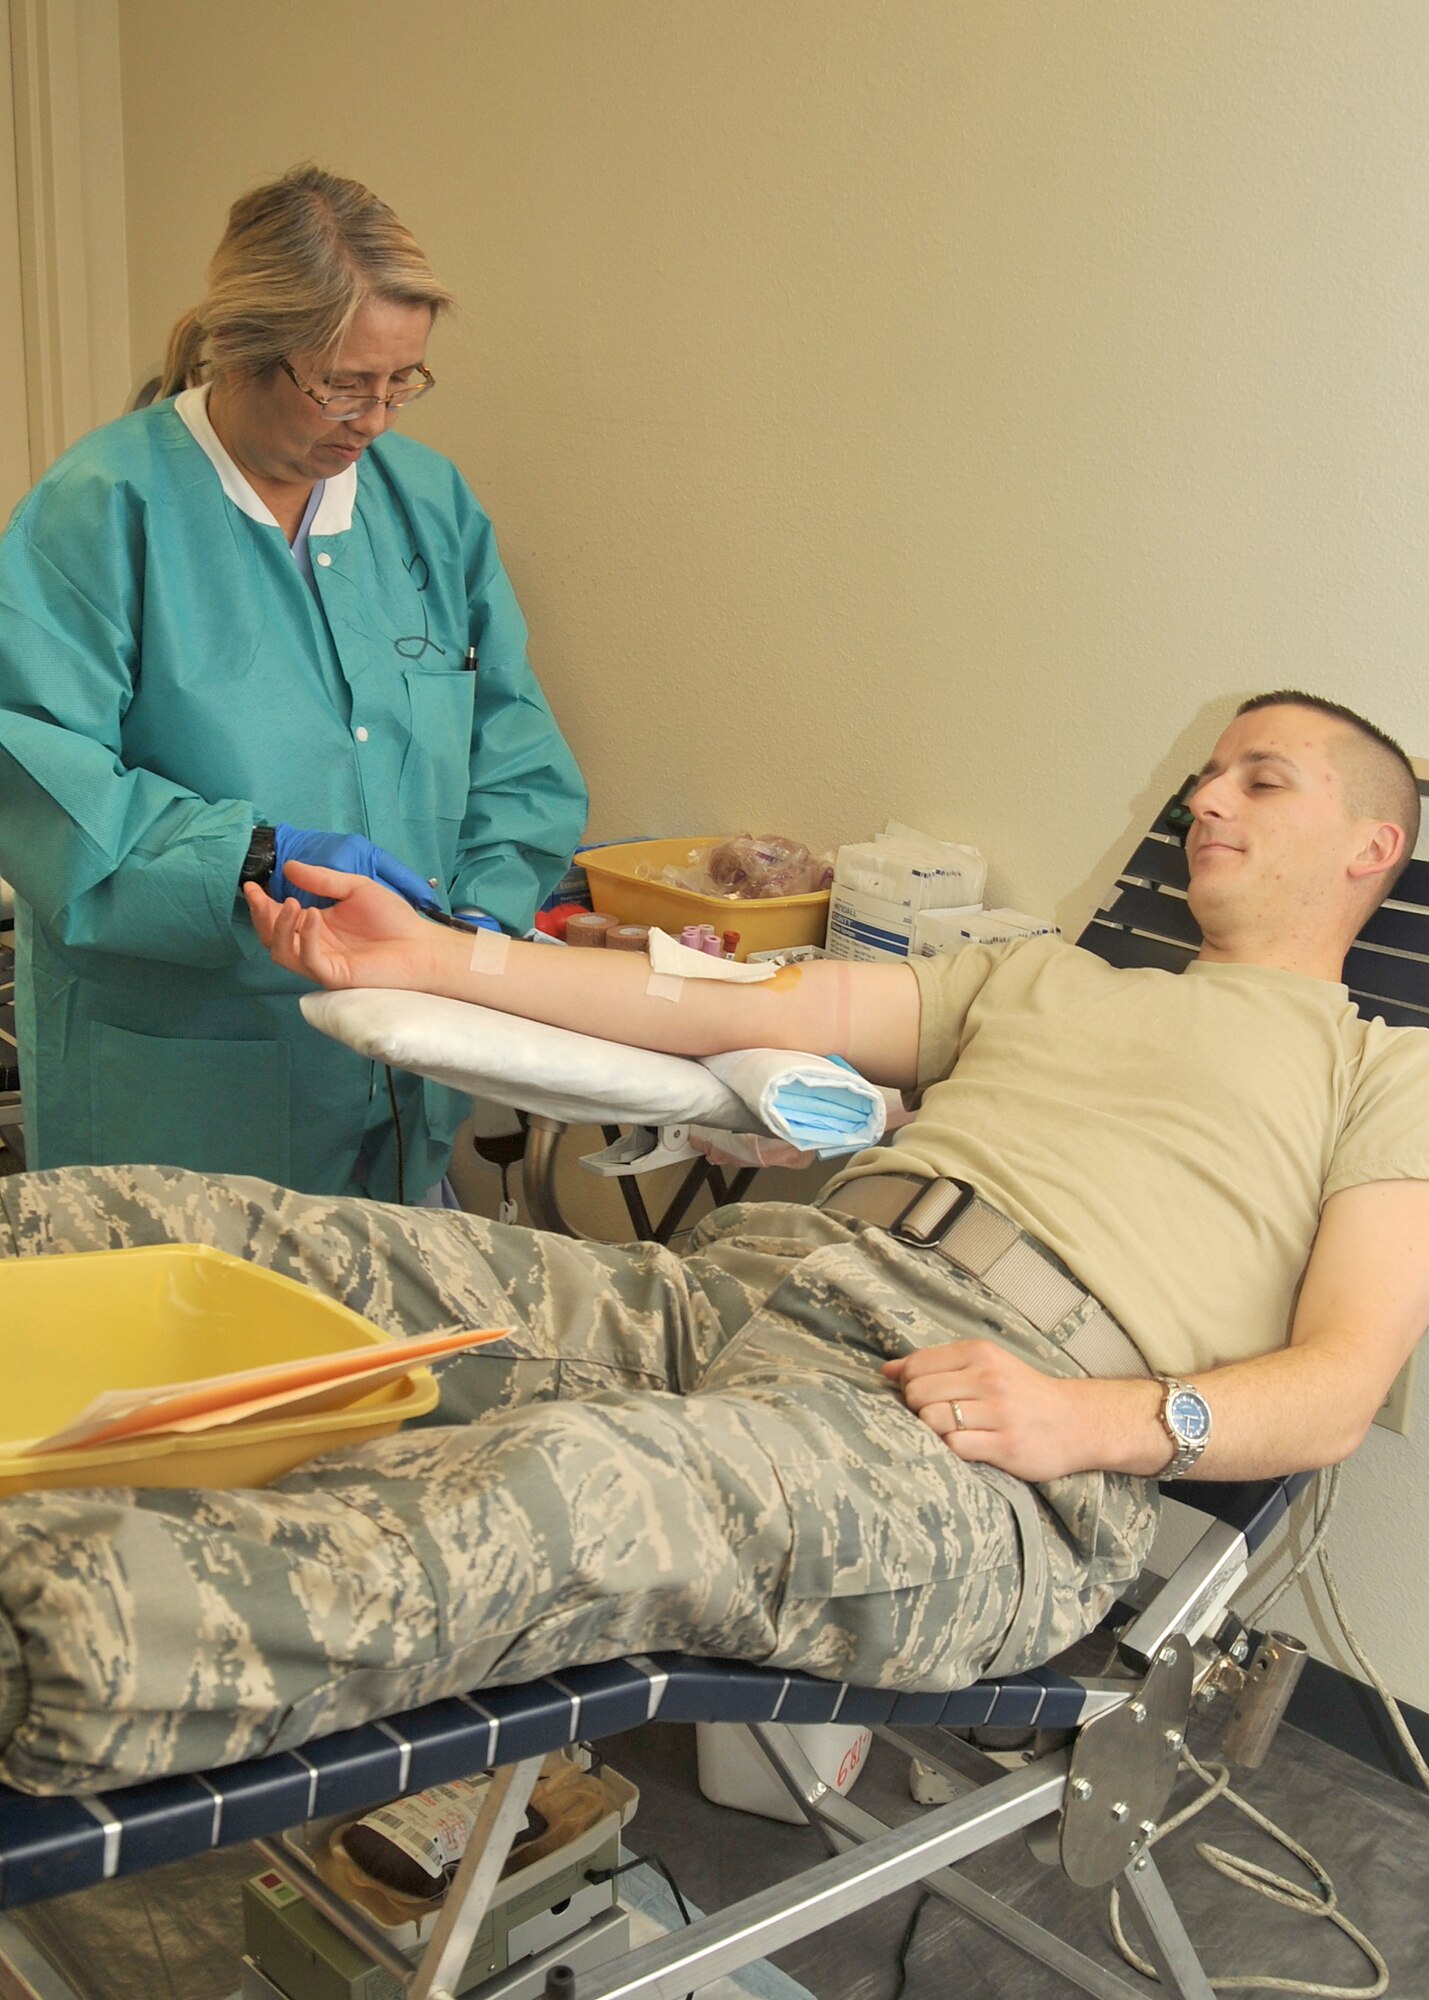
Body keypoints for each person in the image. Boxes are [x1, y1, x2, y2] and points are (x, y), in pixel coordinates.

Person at [0, 691, 1426, 1798]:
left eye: (1260, 777)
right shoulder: (1042, 975)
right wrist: (428, 955)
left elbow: (1341, 1384)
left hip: (984, 1446)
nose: (1204, 795)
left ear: (1374, 846)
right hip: (744, 1293)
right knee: (269, 1244)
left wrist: (1094, 1420)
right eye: (1208, 769)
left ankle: (49, 1638)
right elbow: (737, 1008)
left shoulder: (1384, 1073)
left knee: (573, 1487)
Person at [0, 165, 587, 1201]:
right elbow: (42, 781)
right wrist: (256, 852)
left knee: (390, 1344)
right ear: (240, 351)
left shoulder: (429, 505)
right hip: (183, 1082)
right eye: (342, 382)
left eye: (403, 379)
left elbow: (514, 751)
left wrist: (480, 938)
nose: (375, 417)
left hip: (402, 1063)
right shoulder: (102, 510)